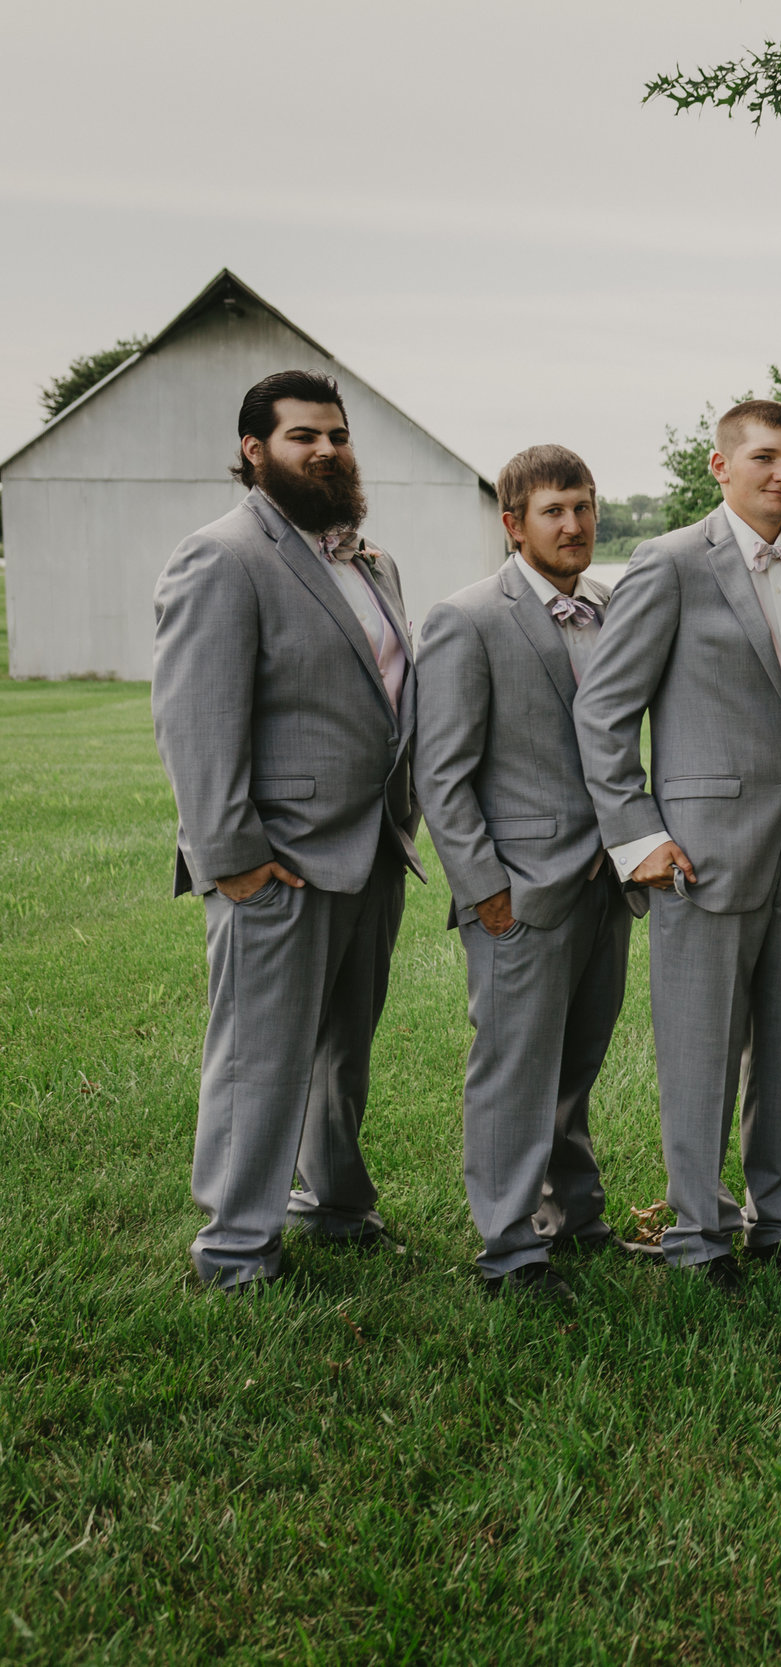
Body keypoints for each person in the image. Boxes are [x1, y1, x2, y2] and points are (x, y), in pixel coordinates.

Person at [572, 399, 781, 1290]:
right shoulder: (669, 563)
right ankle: (697, 1233)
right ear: (720, 466)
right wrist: (639, 836)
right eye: (765, 457)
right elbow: (603, 711)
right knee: (699, 1054)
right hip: (696, 854)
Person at [152, 370, 425, 1290]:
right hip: (279, 860)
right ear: (254, 450)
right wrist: (234, 859)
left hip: (372, 847)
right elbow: (196, 721)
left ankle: (335, 1204)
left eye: (337, 434)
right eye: (303, 435)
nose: (327, 450)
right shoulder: (222, 557)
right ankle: (235, 1246)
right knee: (259, 1058)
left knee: (344, 1050)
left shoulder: (372, 562)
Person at [413, 445, 640, 1303]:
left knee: (577, 1062)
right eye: (554, 511)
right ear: (514, 524)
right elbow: (441, 773)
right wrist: (486, 889)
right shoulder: (467, 618)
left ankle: (573, 1214)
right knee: (514, 1071)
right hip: (519, 888)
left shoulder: (615, 607)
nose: (574, 524)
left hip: (606, 881)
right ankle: (509, 1247)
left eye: (583, 507)